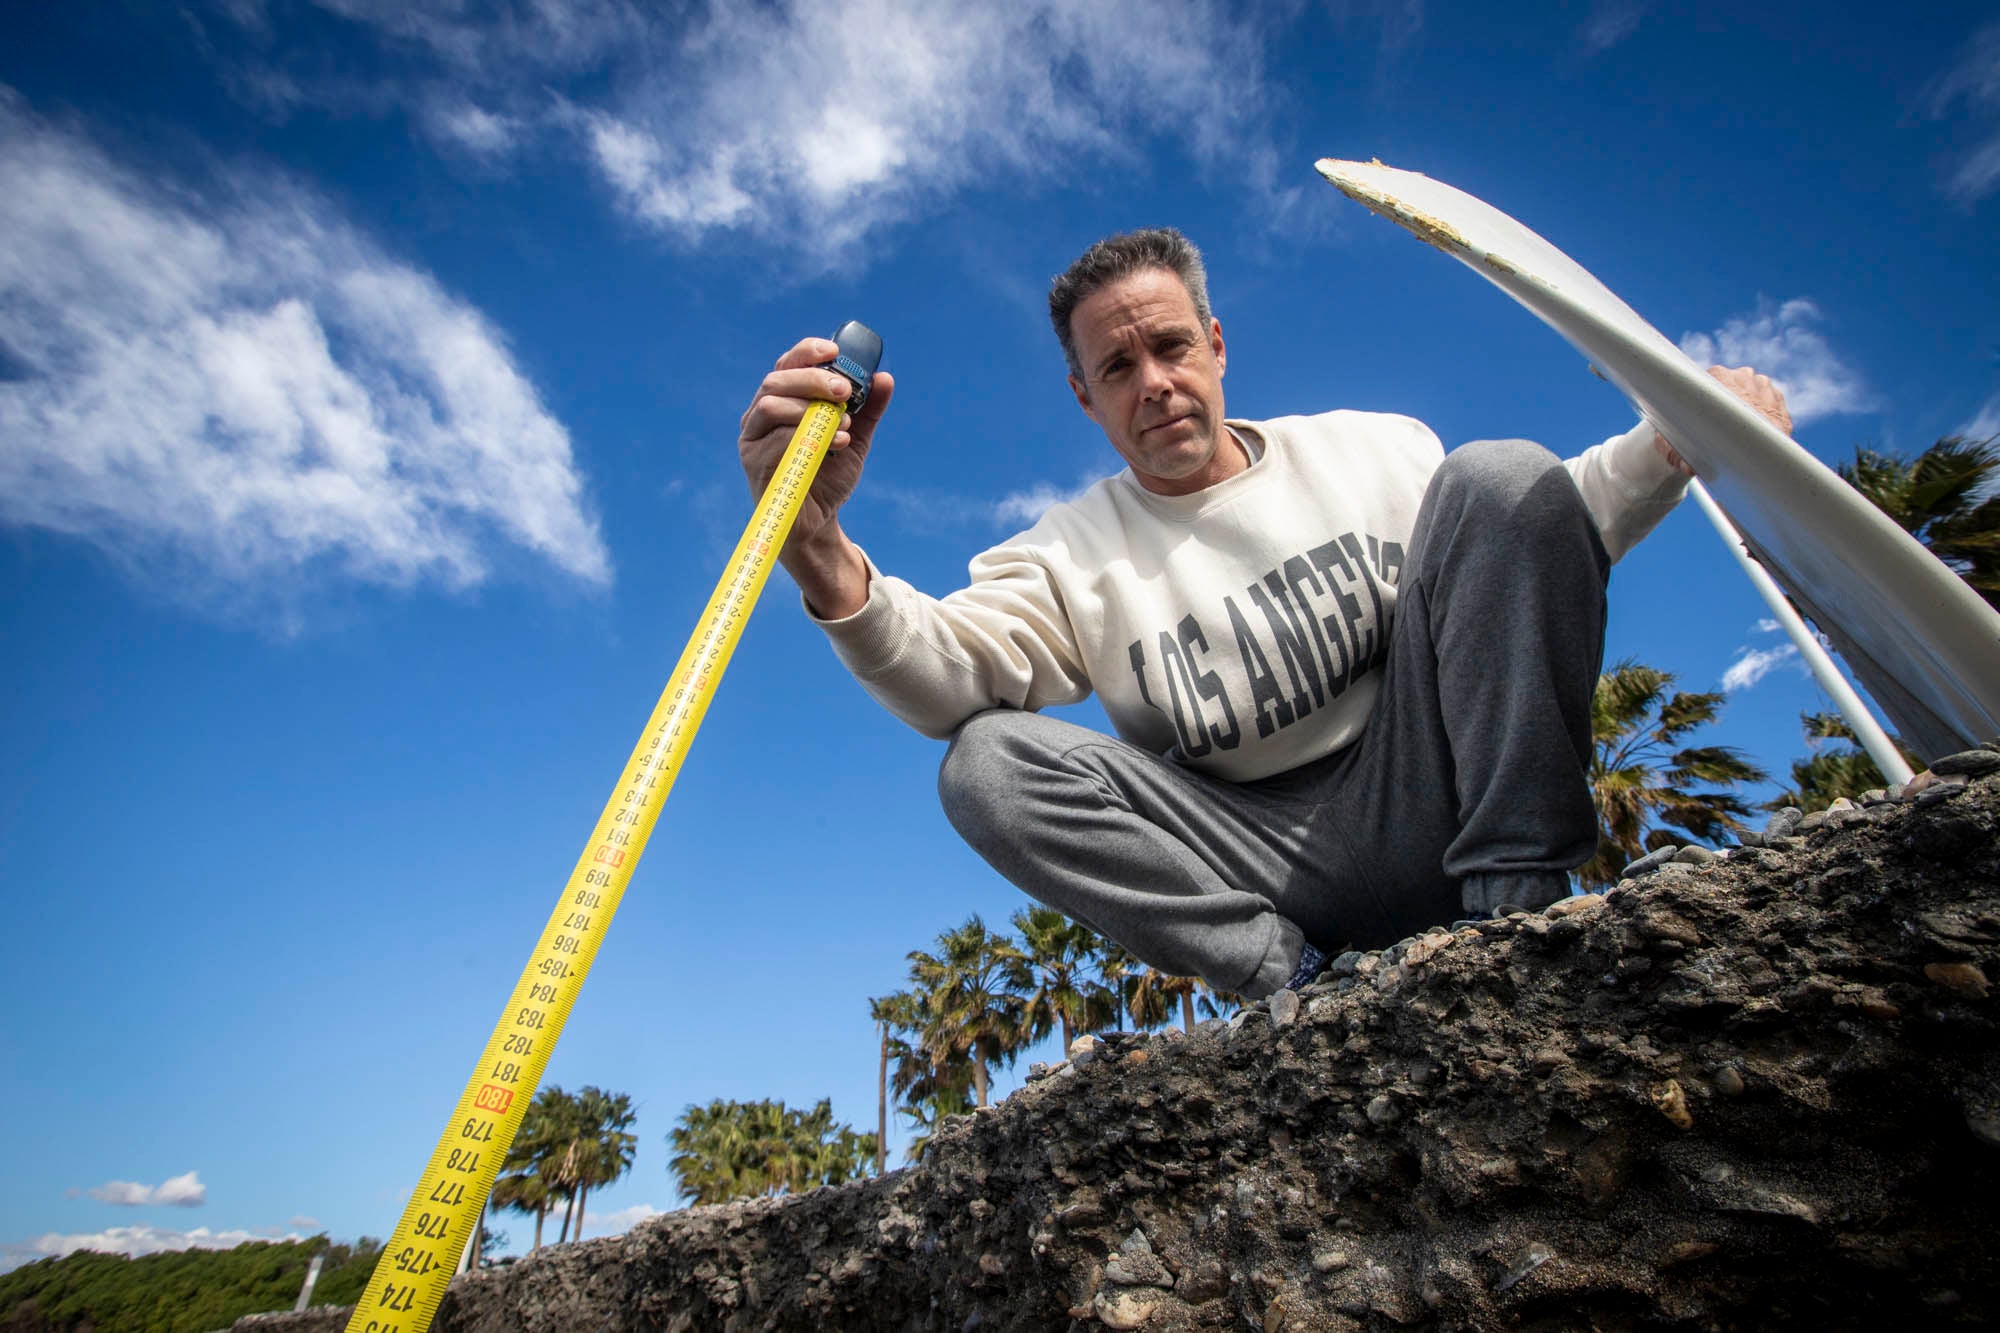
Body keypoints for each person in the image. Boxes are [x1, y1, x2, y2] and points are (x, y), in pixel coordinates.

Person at [736, 228, 1790, 1000]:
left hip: (1435, 793)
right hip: (1266, 867)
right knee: (985, 763)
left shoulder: (1372, 446)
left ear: (1216, 344)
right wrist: (815, 545)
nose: (1152, 383)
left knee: (1498, 471)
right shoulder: (1061, 554)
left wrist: (1680, 433)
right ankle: (1297, 987)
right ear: (1082, 398)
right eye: (1116, 367)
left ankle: (1522, 908)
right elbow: (946, 678)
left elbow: (1532, 521)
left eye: (1169, 347)